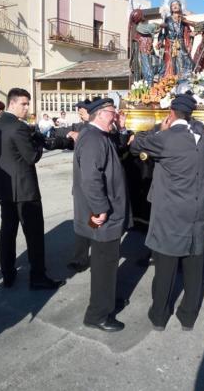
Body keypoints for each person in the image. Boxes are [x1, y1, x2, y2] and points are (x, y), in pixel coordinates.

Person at [130, 92, 204, 331]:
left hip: (170, 215)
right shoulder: (200, 133)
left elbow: (135, 144)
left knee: (165, 269)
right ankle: (188, 318)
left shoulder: (165, 139)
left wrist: (159, 130)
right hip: (196, 214)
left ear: (171, 114)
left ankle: (160, 316)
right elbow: (195, 124)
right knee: (194, 270)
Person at [0, 88, 65, 290]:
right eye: (24, 103)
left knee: (7, 231)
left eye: (28, 103)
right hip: (24, 188)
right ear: (12, 103)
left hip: (5, 186)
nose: (27, 107)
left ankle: (8, 273)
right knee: (34, 234)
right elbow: (31, 157)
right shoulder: (18, 127)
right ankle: (38, 277)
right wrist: (38, 143)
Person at [73, 98, 131, 332]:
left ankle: (106, 301)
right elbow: (91, 178)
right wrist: (100, 209)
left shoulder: (97, 135)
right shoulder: (93, 139)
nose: (115, 116)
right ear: (99, 114)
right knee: (104, 264)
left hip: (107, 213)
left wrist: (122, 128)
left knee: (106, 262)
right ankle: (97, 314)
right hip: (103, 216)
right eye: (112, 113)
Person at [158, 0, 195, 80]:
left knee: (188, 63)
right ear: (170, 8)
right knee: (172, 65)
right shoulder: (167, 19)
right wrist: (160, 41)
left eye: (176, 4)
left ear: (180, 6)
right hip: (171, 46)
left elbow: (188, 30)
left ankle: (185, 81)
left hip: (182, 45)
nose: (174, 6)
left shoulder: (183, 19)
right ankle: (173, 82)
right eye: (172, 5)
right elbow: (162, 32)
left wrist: (190, 34)